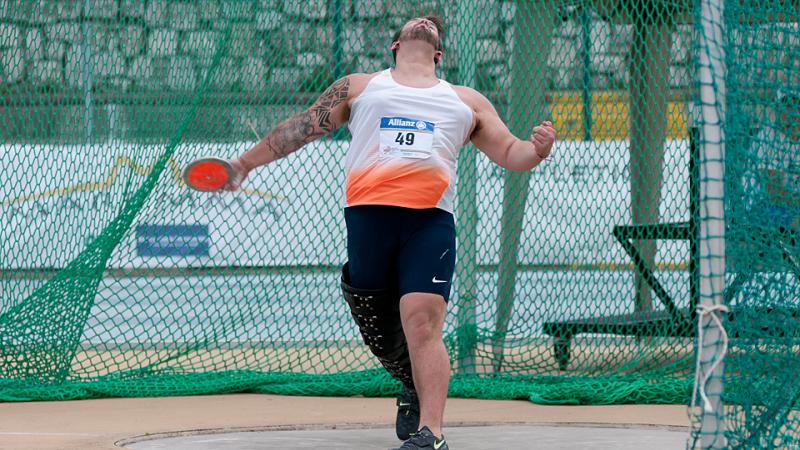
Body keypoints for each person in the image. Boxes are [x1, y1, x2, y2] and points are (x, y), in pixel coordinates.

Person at [224, 15, 556, 450]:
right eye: (414, 22)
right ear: (395, 45)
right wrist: (243, 164)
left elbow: (511, 152)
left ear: (438, 54)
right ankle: (411, 384)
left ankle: (431, 435)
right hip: (368, 221)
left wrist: (537, 149)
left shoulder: (465, 101)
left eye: (431, 25)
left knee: (422, 322)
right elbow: (302, 128)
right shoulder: (360, 87)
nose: (424, 21)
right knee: (379, 331)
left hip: (429, 223)